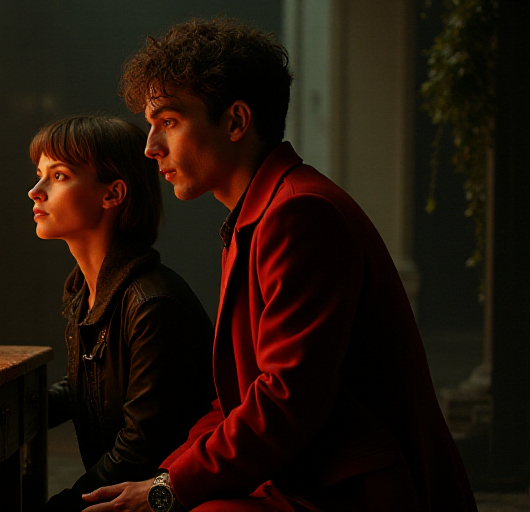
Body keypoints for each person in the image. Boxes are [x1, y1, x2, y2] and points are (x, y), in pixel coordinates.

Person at [81, 18, 477, 512]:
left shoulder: (297, 212)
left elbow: (286, 399)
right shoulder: (258, 213)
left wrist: (165, 492)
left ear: (235, 121)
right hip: (300, 475)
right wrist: (163, 478)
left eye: (168, 121)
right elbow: (234, 402)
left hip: (350, 490)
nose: (149, 146)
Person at [25, 115, 215, 512]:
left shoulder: (152, 304)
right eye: (39, 175)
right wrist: (2, 412)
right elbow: (89, 389)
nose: (35, 192)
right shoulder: (87, 290)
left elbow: (139, 453)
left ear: (112, 194)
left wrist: (59, 507)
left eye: (57, 176)